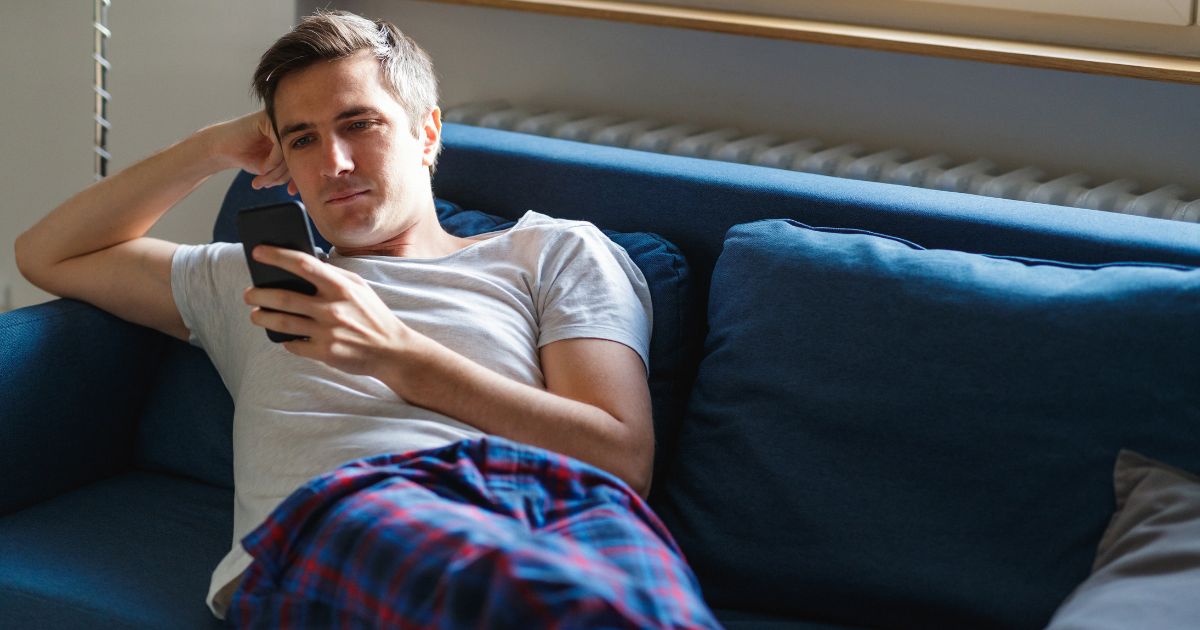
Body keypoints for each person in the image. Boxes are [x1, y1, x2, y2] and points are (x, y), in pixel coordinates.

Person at [15, 9, 718, 628]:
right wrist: (206, 150)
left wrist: (395, 353)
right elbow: (49, 252)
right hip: (350, 509)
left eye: (359, 124)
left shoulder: (556, 251)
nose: (335, 163)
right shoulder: (252, 279)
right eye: (303, 140)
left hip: (566, 508)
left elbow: (621, 461)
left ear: (426, 131)